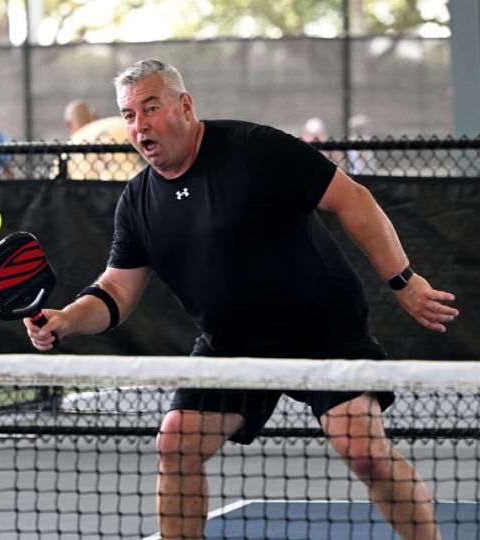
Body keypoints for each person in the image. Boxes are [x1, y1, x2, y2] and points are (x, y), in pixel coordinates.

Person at [24, 59, 458, 540]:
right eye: (128, 115)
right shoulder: (138, 201)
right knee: (175, 443)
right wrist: (65, 319)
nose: (139, 125)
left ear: (185, 106)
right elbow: (115, 291)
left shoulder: (254, 149)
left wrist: (404, 280)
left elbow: (352, 198)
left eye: (150, 108)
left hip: (323, 331)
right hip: (231, 345)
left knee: (364, 451)